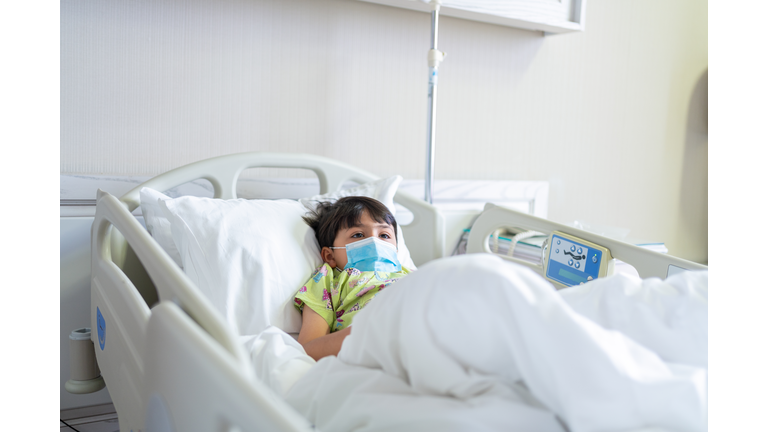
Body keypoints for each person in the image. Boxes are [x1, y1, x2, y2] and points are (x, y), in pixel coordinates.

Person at [294, 196, 412, 361]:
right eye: (358, 234)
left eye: (384, 235)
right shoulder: (327, 280)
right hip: (373, 338)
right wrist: (359, 334)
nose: (374, 241)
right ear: (330, 256)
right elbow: (309, 347)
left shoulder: (411, 275)